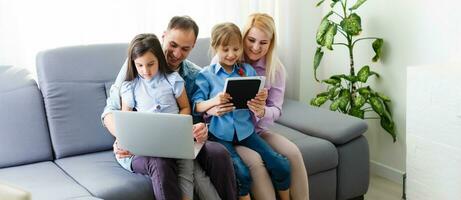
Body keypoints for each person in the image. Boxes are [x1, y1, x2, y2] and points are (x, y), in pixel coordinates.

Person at [101, 16, 237, 200]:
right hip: (141, 147)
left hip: (180, 142)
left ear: (193, 46)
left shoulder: (192, 75)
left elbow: (196, 112)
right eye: (173, 45)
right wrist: (124, 138)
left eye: (185, 48)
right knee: (161, 162)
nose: (177, 53)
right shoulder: (138, 64)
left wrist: (203, 127)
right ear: (163, 36)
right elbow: (111, 110)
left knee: (218, 153)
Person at [208, 13, 310, 200]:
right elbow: (209, 96)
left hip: (258, 129)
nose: (256, 48)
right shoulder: (225, 59)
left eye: (263, 43)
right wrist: (214, 108)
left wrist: (262, 111)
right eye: (251, 40)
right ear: (244, 36)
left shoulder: (275, 69)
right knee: (255, 161)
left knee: (293, 152)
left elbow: (276, 109)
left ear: (271, 43)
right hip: (231, 131)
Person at [192, 22, 291, 200]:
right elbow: (197, 105)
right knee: (242, 173)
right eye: (225, 49)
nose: (231, 55)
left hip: (246, 131)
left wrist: (260, 100)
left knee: (280, 164)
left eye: (236, 49)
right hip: (219, 134)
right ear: (215, 48)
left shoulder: (248, 70)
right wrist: (214, 102)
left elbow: (259, 101)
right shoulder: (206, 75)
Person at [119, 33, 195, 200]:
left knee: (185, 169)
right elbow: (126, 122)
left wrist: (176, 127)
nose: (145, 71)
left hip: (173, 141)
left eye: (151, 64)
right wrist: (122, 141)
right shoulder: (130, 86)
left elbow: (185, 107)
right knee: (160, 163)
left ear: (159, 59)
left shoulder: (173, 80)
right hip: (143, 148)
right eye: (139, 65)